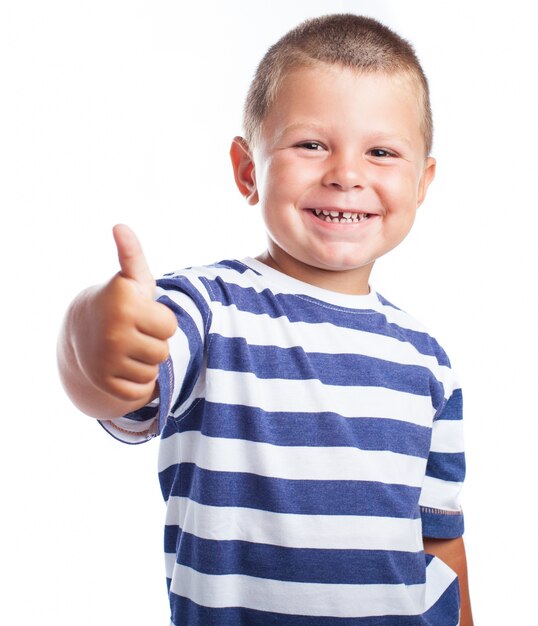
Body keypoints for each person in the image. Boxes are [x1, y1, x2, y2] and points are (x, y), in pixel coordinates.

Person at [58, 13, 473, 625]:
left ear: (422, 182)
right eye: (311, 144)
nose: (346, 173)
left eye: (381, 152)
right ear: (248, 169)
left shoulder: (427, 358)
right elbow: (119, 384)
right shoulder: (207, 309)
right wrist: (93, 333)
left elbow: (439, 540)